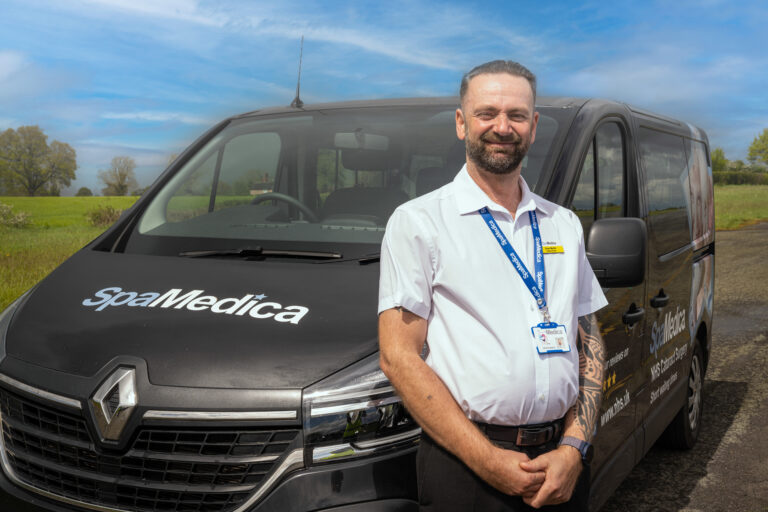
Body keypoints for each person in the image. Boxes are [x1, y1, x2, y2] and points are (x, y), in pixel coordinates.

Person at [378, 60, 608, 511]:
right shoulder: (419, 223)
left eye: (517, 115)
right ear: (462, 123)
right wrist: (488, 461)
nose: (502, 127)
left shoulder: (563, 224)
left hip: (562, 465)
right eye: (487, 113)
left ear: (534, 126)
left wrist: (574, 447)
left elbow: (591, 340)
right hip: (467, 469)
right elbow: (398, 357)